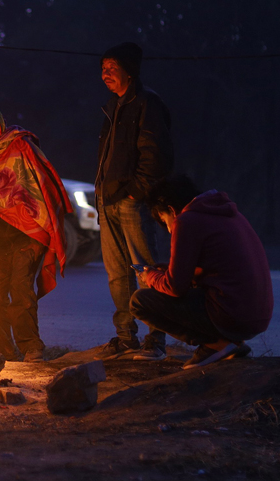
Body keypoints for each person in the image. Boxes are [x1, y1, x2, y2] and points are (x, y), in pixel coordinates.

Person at [0, 102, 72, 362]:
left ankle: (31, 348)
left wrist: (38, 239)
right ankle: (3, 352)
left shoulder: (21, 148)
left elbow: (43, 191)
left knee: (21, 291)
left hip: (27, 235)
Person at [131, 175, 273, 369]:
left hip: (231, 314)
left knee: (140, 301)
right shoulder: (228, 213)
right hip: (257, 315)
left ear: (171, 210)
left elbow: (174, 287)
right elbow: (219, 265)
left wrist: (150, 276)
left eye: (164, 221)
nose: (169, 229)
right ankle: (229, 344)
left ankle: (216, 345)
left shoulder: (187, 220)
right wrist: (169, 268)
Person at [95, 42, 174, 361]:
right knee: (117, 273)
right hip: (108, 198)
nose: (105, 74)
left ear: (130, 70)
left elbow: (156, 156)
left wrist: (136, 191)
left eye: (112, 68)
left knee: (146, 269)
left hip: (131, 201)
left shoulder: (147, 104)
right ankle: (126, 336)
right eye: (103, 68)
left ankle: (156, 338)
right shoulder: (114, 105)